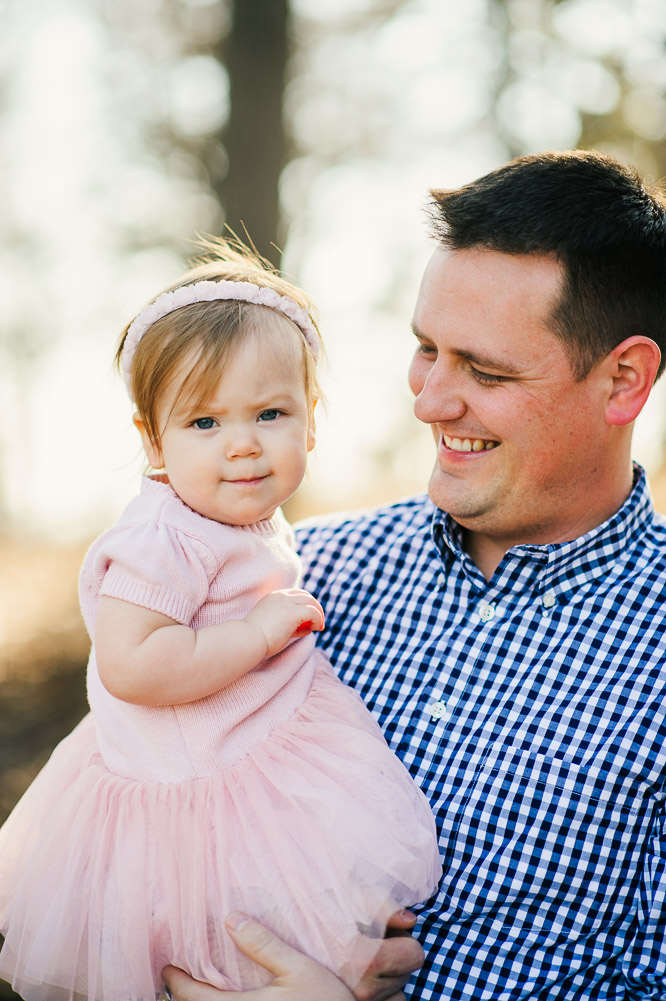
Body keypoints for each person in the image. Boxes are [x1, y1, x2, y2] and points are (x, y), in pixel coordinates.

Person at [162, 150, 666, 1001]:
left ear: (623, 380)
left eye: (486, 370)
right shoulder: (297, 575)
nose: (430, 399)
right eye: (426, 350)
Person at [0, 242, 441, 1001]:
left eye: (270, 413)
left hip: (253, 770)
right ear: (153, 443)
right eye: (204, 421)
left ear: (310, 424)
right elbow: (132, 664)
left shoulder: (253, 525)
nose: (242, 443)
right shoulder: (161, 538)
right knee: (215, 938)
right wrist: (258, 634)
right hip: (185, 802)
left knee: (304, 920)